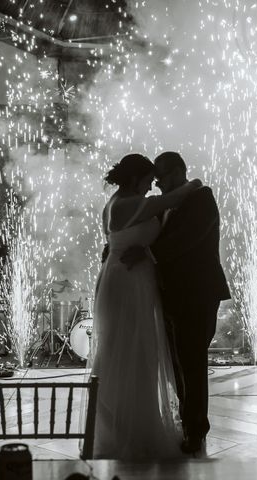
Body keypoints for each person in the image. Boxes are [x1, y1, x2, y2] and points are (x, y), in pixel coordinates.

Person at [90, 153, 202, 459]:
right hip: (128, 284)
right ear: (137, 178)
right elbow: (181, 194)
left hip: (125, 279)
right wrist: (196, 181)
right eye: (150, 180)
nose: (153, 186)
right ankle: (130, 430)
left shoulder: (115, 202)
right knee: (132, 353)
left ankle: (123, 424)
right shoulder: (130, 204)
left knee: (131, 352)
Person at [122, 151, 231, 454]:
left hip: (197, 294)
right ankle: (186, 423)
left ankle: (196, 430)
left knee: (192, 363)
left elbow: (187, 239)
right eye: (155, 180)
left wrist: (147, 255)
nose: (158, 186)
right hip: (170, 295)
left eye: (163, 178)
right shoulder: (166, 205)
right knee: (177, 363)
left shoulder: (202, 198)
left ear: (180, 171)